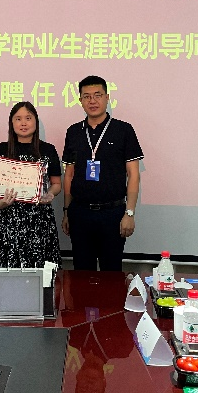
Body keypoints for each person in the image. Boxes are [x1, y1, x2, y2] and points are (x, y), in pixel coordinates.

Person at [62, 75, 143, 271]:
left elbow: (133, 174)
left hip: (112, 213)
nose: (92, 101)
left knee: (111, 271)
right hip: (80, 212)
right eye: (87, 96)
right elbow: (69, 175)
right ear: (80, 100)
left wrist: (129, 213)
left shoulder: (123, 130)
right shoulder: (73, 132)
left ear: (107, 97)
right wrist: (66, 211)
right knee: (82, 271)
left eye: (97, 95)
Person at [0, 101, 63, 268]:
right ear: (11, 123)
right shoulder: (2, 149)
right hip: (9, 219)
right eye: (18, 119)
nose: (23, 123)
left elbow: (56, 183)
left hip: (40, 219)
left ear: (35, 121)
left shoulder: (48, 150)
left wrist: (50, 194)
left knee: (40, 273)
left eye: (28, 118)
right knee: (9, 271)